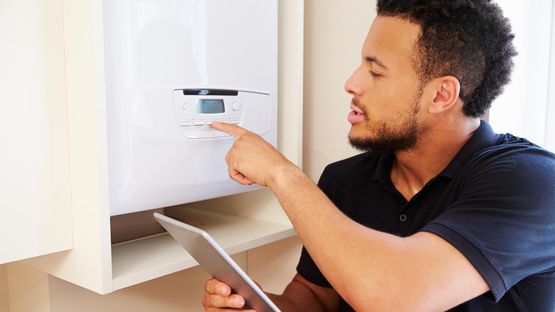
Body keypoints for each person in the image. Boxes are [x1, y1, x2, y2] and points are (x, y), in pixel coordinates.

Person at [203, 0, 555, 310]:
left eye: (375, 71)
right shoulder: (345, 180)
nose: (352, 83)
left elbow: (396, 298)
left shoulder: (534, 183)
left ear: (441, 95)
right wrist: (260, 307)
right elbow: (314, 297)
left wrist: (283, 175)